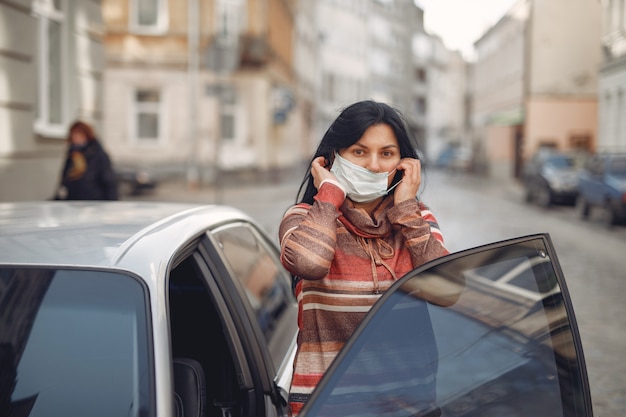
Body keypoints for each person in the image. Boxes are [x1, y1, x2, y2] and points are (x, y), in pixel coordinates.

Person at [278, 100, 449, 416]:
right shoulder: (304, 219)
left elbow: (447, 292)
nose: (373, 165)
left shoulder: (418, 220)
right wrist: (328, 194)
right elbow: (309, 263)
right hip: (328, 407)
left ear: (403, 162)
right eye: (359, 152)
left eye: (386, 153)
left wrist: (407, 211)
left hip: (409, 407)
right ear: (333, 158)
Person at [55, 120, 118, 201]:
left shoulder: (98, 155)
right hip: (73, 203)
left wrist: (111, 204)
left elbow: (109, 182)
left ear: (87, 136)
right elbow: (65, 179)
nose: (76, 138)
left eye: (79, 135)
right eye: (73, 135)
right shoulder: (72, 155)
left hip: (94, 203)